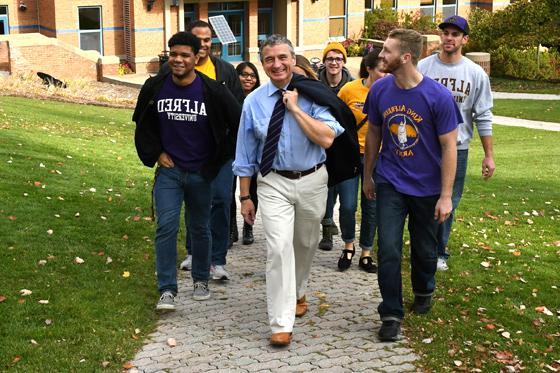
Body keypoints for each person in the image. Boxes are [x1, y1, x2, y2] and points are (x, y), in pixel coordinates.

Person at [233, 34, 353, 346]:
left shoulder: (313, 95)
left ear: (293, 58)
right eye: (269, 59)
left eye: (282, 57)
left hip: (313, 179)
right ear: (263, 63)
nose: (277, 64)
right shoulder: (253, 102)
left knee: (305, 242)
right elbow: (245, 155)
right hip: (273, 181)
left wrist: (297, 109)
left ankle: (298, 289)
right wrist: (245, 196)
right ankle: (280, 322)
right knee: (277, 248)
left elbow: (327, 138)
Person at [363, 29, 461, 341]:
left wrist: (446, 196)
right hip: (390, 181)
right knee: (388, 248)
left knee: (424, 249)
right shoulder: (380, 91)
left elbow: (449, 147)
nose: (381, 57)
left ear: (406, 57)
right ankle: (390, 313)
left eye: (387, 52)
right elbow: (375, 135)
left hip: (428, 188)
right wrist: (368, 175)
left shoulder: (438, 97)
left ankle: (423, 289)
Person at [132, 32, 241, 310]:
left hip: (200, 173)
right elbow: (142, 125)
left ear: (196, 57)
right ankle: (167, 289)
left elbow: (237, 124)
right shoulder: (155, 87)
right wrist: (156, 152)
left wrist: (214, 161)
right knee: (166, 226)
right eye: (173, 54)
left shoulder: (213, 91)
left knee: (199, 227)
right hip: (170, 172)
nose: (178, 60)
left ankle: (201, 279)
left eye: (184, 55)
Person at [418, 15, 495, 271]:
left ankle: (439, 251)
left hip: (457, 149)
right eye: (445, 33)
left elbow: (483, 115)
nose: (448, 38)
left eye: (454, 34)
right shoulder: (424, 68)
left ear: (464, 39)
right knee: (422, 199)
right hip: (425, 147)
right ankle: (424, 246)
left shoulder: (474, 74)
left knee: (447, 200)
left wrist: (488, 155)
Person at [177, 20, 244, 282]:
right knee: (193, 202)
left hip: (221, 153)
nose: (203, 44)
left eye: (207, 40)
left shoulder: (225, 71)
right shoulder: (174, 68)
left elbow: (237, 111)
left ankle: (217, 260)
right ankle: (194, 253)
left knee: (220, 201)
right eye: (198, 39)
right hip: (188, 152)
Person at [335, 49, 386, 273]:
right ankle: (348, 245)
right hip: (350, 155)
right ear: (369, 68)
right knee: (347, 205)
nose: (386, 74)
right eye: (382, 69)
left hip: (377, 158)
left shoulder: (391, 92)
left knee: (371, 206)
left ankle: (366, 252)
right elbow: (335, 115)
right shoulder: (350, 90)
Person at [317, 41, 355, 251]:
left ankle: (342, 232)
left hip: (346, 145)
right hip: (323, 145)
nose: (334, 62)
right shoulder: (316, 84)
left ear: (343, 62)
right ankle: (327, 230)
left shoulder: (351, 86)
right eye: (330, 59)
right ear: (324, 62)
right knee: (326, 190)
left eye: (338, 59)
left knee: (344, 193)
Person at [232, 62, 261, 245]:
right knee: (228, 193)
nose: (248, 78)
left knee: (252, 191)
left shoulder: (259, 100)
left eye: (252, 75)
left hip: (252, 153)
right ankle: (230, 228)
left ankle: (248, 227)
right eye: (244, 74)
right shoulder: (230, 98)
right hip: (231, 151)